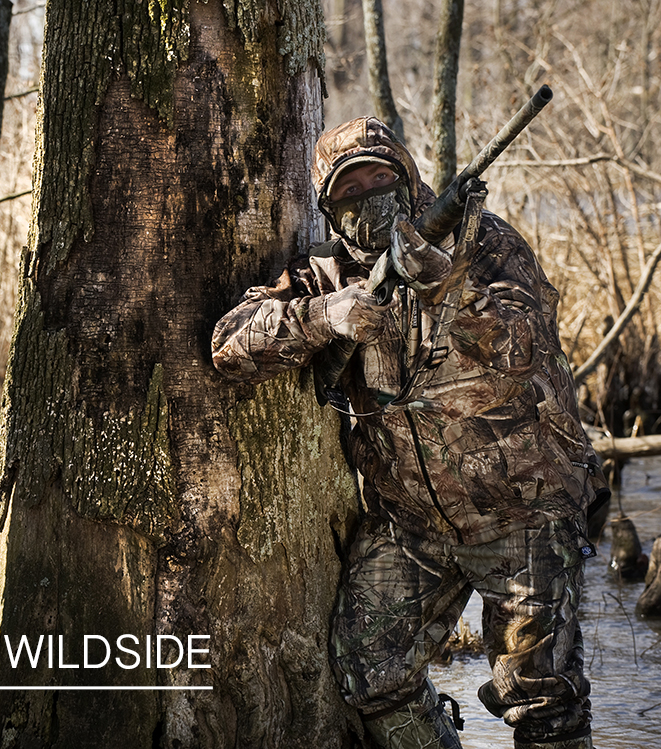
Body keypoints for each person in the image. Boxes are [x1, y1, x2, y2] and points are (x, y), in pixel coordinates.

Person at [212, 117, 609, 749]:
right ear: (329, 208)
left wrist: (441, 284)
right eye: (349, 188)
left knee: (543, 702)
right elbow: (229, 346)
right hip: (412, 526)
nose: (367, 193)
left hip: (523, 514)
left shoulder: (483, 244)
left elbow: (523, 346)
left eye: (380, 175)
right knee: (367, 673)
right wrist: (325, 316)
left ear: (408, 177)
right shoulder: (327, 274)